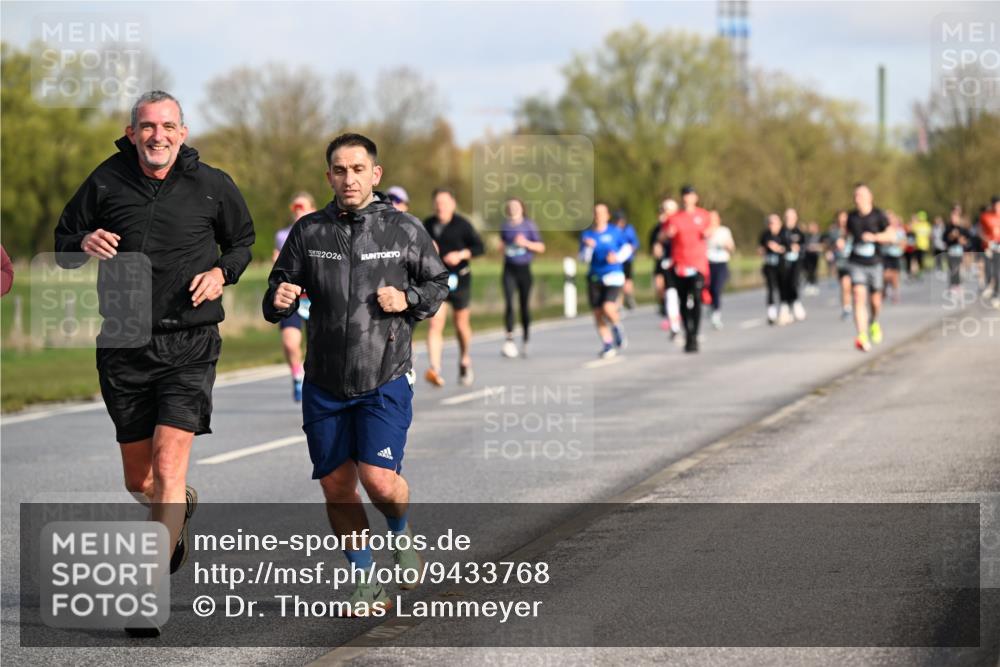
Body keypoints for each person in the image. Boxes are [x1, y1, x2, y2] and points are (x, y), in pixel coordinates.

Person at [54, 91, 255, 636]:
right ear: (132, 132)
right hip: (123, 345)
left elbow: (242, 242)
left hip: (189, 342)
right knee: (139, 478)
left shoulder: (212, 184)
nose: (157, 135)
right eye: (147, 126)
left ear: (182, 132)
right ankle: (176, 509)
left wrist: (222, 273)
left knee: (167, 470)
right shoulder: (105, 181)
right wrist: (83, 240)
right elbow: (63, 243)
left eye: (167, 126)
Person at [263, 133, 448, 614]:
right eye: (340, 170)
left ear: (375, 174)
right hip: (324, 381)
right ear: (329, 176)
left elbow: (438, 282)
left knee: (380, 480)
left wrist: (408, 298)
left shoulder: (403, 229)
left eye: (358, 169)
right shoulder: (309, 231)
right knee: (337, 486)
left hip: (383, 373)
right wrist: (278, 298)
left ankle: (401, 534)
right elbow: (278, 289)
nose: (349, 179)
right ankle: (366, 582)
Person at [423, 189, 484, 387]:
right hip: (436, 280)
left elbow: (479, 248)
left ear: (453, 204)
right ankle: (435, 368)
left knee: (461, 324)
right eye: (438, 203)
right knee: (435, 323)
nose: (441, 206)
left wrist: (461, 255)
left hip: (460, 279)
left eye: (445, 203)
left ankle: (465, 358)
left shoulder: (462, 224)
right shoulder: (427, 224)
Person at [274, 192, 317, 401]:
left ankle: (312, 380)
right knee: (290, 342)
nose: (299, 211)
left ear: (313, 209)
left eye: (303, 207)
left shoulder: (321, 233)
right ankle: (297, 375)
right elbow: (276, 264)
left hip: (316, 297)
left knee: (315, 346)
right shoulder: (283, 235)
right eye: (295, 207)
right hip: (293, 297)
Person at [845, 183, 895, 352]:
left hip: (875, 263)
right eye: (855, 196)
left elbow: (891, 235)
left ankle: (874, 322)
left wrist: (874, 237)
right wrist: (841, 242)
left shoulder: (879, 215)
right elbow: (846, 236)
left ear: (870, 197)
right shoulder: (851, 217)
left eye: (860, 195)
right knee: (858, 295)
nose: (857, 199)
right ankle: (862, 335)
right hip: (856, 262)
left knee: (875, 301)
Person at [580, 202, 632, 358]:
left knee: (608, 307)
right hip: (595, 276)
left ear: (607, 216)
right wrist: (589, 248)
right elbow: (583, 259)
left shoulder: (615, 232)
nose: (598, 216)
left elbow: (628, 248)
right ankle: (607, 344)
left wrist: (617, 258)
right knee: (597, 313)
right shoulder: (587, 235)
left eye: (601, 213)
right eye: (596, 213)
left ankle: (617, 327)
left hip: (613, 275)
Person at [664, 185, 710, 352]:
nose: (687, 198)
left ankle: (694, 335)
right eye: (684, 195)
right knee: (683, 301)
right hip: (680, 264)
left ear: (695, 198)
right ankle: (688, 333)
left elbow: (711, 229)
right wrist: (668, 234)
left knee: (696, 298)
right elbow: (663, 236)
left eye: (690, 195)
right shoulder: (674, 218)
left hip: (697, 264)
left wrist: (708, 232)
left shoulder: (703, 215)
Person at [499, 197, 545, 358]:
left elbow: (541, 247)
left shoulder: (529, 225)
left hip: (524, 269)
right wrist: (502, 247)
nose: (513, 208)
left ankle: (525, 339)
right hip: (508, 269)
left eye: (516, 206)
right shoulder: (505, 226)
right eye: (510, 206)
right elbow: (503, 245)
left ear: (522, 208)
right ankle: (509, 340)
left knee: (524, 305)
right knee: (509, 303)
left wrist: (525, 243)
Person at [651, 198, 680, 333]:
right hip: (664, 263)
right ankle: (672, 322)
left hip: (680, 262)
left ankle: (680, 315)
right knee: (667, 291)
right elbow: (655, 247)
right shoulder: (658, 228)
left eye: (668, 210)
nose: (665, 213)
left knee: (679, 293)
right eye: (663, 210)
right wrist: (657, 246)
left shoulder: (681, 224)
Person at [706, 210, 735, 330]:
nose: (712, 221)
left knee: (717, 288)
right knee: (708, 289)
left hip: (721, 263)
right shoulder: (705, 231)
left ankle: (716, 315)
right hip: (707, 263)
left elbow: (731, 247)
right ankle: (711, 306)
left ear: (719, 219)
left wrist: (727, 246)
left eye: (714, 218)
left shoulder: (724, 231)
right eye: (710, 218)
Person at [824, 210, 853, 320]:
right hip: (841, 262)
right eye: (840, 218)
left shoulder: (853, 230)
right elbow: (828, 246)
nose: (842, 220)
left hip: (854, 261)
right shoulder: (834, 232)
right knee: (845, 285)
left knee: (853, 287)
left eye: (844, 218)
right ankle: (847, 309)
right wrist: (831, 251)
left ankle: (853, 304)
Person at [760, 214, 787, 325]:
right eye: (770, 223)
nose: (772, 225)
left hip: (781, 265)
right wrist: (762, 250)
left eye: (774, 223)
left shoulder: (784, 234)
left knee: (782, 288)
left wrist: (777, 248)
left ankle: (784, 311)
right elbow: (760, 248)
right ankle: (771, 313)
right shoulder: (765, 235)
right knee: (770, 288)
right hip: (769, 265)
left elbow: (789, 248)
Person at [781, 208, 807, 322]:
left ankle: (796, 303)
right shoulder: (781, 231)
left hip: (796, 262)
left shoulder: (799, 232)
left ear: (796, 218)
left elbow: (804, 246)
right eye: (787, 217)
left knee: (794, 283)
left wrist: (799, 248)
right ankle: (785, 306)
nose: (789, 220)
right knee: (784, 284)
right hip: (783, 262)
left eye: (791, 217)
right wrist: (786, 248)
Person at [612, 209, 640, 310]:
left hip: (626, 259)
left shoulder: (628, 229)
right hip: (615, 260)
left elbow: (634, 243)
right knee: (617, 281)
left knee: (627, 280)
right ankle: (619, 302)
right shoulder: (612, 230)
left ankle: (629, 298)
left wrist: (630, 249)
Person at [881, 211, 906, 304]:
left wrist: (896, 242)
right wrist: (887, 240)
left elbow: (903, 243)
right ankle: (885, 289)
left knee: (895, 276)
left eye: (891, 219)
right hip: (885, 254)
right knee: (885, 274)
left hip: (895, 255)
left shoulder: (900, 231)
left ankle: (895, 293)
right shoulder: (883, 229)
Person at [980, 196, 1000, 306]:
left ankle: (996, 293)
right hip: (988, 247)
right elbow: (980, 232)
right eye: (995, 205)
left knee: (997, 270)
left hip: (998, 246)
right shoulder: (985, 216)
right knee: (988, 268)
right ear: (992, 205)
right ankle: (989, 286)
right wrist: (986, 241)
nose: (997, 207)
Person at [943, 207, 969, 291]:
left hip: (959, 251)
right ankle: (952, 284)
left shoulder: (962, 229)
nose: (953, 219)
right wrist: (951, 236)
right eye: (952, 217)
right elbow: (944, 239)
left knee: (957, 267)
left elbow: (967, 240)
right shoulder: (948, 228)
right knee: (952, 267)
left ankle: (958, 284)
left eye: (955, 218)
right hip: (951, 250)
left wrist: (962, 240)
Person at [802, 221, 823, 296]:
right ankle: (808, 284)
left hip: (815, 256)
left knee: (813, 271)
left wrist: (815, 247)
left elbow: (823, 246)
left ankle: (814, 285)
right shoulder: (807, 236)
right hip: (807, 256)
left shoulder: (820, 236)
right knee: (807, 271)